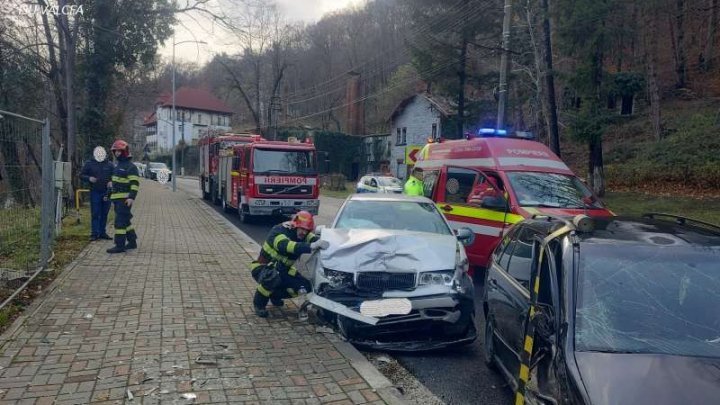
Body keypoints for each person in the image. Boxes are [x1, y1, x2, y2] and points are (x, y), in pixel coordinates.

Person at [251, 211, 329, 318]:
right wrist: (311, 246)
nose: (303, 232)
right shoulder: (279, 231)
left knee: (306, 286)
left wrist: (325, 242)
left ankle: (275, 295)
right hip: (262, 267)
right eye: (301, 229)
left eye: (306, 230)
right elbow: (286, 246)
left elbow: (314, 239)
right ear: (295, 225)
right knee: (273, 277)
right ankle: (259, 304)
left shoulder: (303, 234)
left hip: (283, 269)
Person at [106, 139, 140, 254]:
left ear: (125, 152)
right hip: (117, 199)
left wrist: (131, 197)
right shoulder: (118, 165)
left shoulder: (131, 167)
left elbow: (134, 184)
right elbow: (116, 181)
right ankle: (132, 242)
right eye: (115, 151)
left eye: (119, 151)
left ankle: (119, 245)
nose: (116, 153)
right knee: (125, 221)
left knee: (119, 223)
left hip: (125, 200)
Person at [80, 146, 114, 241]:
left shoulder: (110, 165)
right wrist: (89, 178)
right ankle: (94, 233)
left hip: (106, 192)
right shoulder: (89, 164)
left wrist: (112, 181)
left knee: (104, 213)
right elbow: (81, 175)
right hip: (95, 192)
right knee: (95, 213)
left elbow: (115, 176)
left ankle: (102, 232)